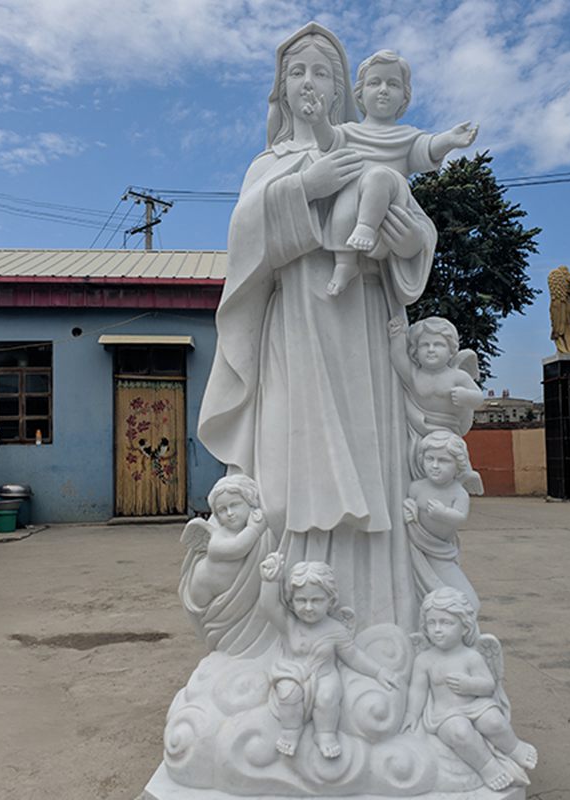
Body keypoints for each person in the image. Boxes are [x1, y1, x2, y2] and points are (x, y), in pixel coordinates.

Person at [198, 22, 439, 629]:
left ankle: (381, 619)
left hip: (360, 325)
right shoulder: (270, 163)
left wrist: (406, 238)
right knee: (291, 465)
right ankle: (292, 614)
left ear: (340, 89)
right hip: (297, 331)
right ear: (282, 86)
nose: (309, 81)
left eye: (322, 71)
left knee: (369, 458)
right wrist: (306, 187)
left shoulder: (364, 151)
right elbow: (244, 241)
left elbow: (414, 232)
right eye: (298, 71)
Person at [301, 49, 477, 296]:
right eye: (375, 82)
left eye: (393, 84)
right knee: (343, 209)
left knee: (378, 176)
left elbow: (426, 149)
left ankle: (366, 227)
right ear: (360, 93)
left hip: (391, 198)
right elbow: (329, 142)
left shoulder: (406, 135)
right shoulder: (350, 132)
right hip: (355, 194)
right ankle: (345, 263)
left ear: (404, 98)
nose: (383, 89)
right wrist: (319, 122)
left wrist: (449, 139)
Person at [259, 553, 399, 759]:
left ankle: (325, 734)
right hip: (292, 672)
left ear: (330, 600)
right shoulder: (290, 625)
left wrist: (378, 672)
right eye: (301, 600)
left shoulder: (335, 629)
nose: (308, 607)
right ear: (291, 601)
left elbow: (353, 656)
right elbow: (269, 607)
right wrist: (270, 580)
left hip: (324, 674)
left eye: (316, 600)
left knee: (327, 697)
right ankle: (290, 731)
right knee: (288, 693)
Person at [402, 588, 537, 791]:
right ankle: (487, 767)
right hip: (445, 715)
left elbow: (488, 686)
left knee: (494, 721)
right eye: (432, 623)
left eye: (446, 623)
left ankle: (514, 747)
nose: (437, 629)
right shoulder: (425, 660)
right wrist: (412, 715)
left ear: (464, 627)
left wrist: (469, 685)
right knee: (460, 733)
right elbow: (417, 691)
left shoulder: (471, 656)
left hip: (476, 705)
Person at [178, 475, 277, 655]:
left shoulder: (257, 536)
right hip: (204, 594)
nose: (229, 513)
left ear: (250, 503)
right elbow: (238, 548)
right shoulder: (218, 537)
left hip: (224, 594)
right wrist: (254, 529)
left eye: (235, 505)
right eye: (222, 510)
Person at [404, 430, 481, 611]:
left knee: (470, 603)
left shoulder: (458, 493)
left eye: (444, 460)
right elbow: (408, 503)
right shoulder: (416, 487)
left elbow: (460, 517)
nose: (435, 466)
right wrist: (409, 508)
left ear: (458, 465)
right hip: (415, 547)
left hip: (440, 551)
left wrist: (443, 513)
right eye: (430, 459)